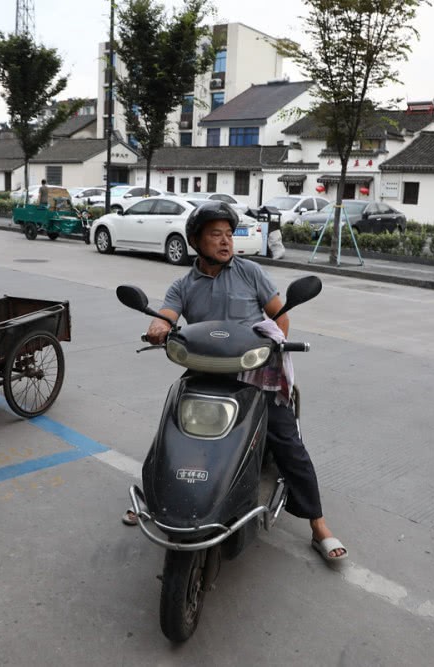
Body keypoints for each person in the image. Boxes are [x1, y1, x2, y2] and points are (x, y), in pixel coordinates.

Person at [122, 201, 348, 563]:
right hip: (204, 368)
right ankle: (155, 497)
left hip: (252, 370)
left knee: (287, 441)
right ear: (195, 241)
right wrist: (158, 325)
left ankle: (317, 524)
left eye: (229, 234)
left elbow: (279, 316)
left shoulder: (250, 272)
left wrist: (274, 346)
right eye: (216, 235)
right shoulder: (183, 284)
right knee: (172, 426)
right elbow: (167, 315)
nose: (226, 241)